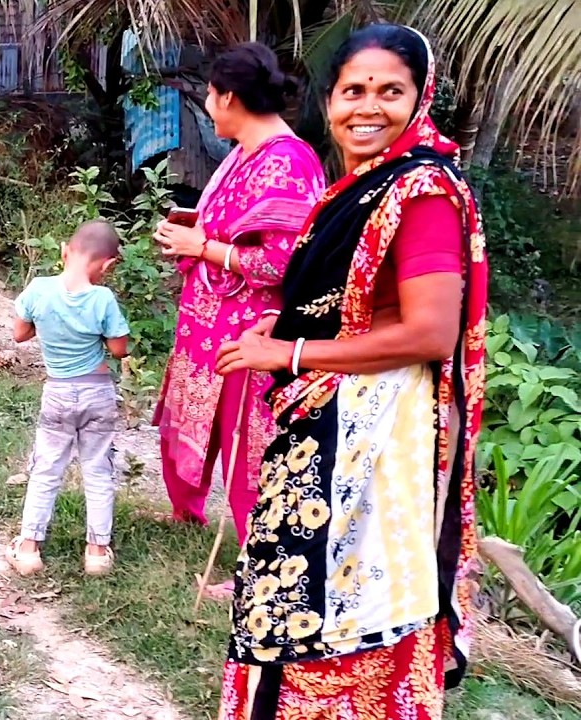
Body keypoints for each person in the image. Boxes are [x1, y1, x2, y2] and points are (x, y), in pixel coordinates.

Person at [212, 25, 487, 719]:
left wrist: (292, 353)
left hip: (373, 440)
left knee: (338, 603)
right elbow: (345, 307)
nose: (368, 107)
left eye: (390, 91)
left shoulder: (420, 190)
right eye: (352, 91)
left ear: (419, 99)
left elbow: (429, 331)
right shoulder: (359, 186)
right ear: (329, 101)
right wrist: (292, 327)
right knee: (292, 597)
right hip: (327, 426)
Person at [151, 42, 325, 598]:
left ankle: (263, 566)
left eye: (209, 94)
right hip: (208, 319)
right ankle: (187, 513)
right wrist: (193, 238)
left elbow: (283, 259)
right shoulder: (245, 153)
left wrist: (203, 248)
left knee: (253, 445)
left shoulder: (288, 161)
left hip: (252, 329)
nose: (207, 103)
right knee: (197, 421)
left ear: (228, 96)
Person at [4, 221, 130, 578]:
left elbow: (19, 333)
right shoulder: (103, 298)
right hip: (98, 392)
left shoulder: (39, 290)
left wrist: (45, 324)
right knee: (98, 470)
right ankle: (97, 552)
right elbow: (119, 349)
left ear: (64, 251)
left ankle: (28, 549)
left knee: (46, 469)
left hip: (58, 392)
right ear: (107, 265)